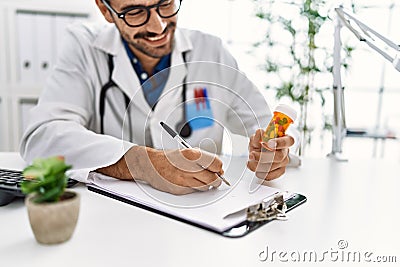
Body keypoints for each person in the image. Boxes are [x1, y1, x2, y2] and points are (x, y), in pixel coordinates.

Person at [20, 0, 295, 195]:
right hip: (111, 225)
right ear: (105, 9)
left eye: (165, 3)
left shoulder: (211, 51)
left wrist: (272, 154)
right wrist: (143, 164)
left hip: (203, 224)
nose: (158, 26)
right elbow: (42, 136)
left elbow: (264, 130)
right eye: (135, 12)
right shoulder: (83, 47)